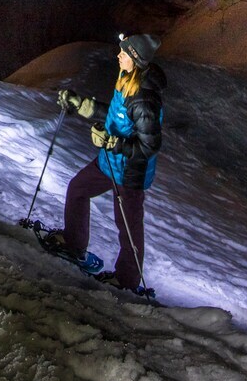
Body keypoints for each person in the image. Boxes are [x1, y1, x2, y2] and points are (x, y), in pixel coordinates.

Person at [45, 33, 165, 291]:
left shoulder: (145, 99)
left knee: (128, 227)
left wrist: (113, 143)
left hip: (131, 171)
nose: (118, 55)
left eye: (124, 52)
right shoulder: (126, 81)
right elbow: (115, 115)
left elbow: (150, 145)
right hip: (109, 161)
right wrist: (82, 105)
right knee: (78, 188)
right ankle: (74, 243)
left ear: (136, 59)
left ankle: (127, 281)